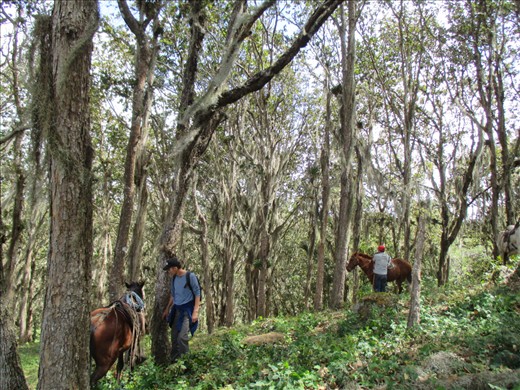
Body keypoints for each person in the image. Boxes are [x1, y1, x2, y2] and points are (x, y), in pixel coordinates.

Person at [162, 256, 201, 363]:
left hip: (187, 311)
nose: (168, 271)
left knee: (182, 337)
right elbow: (173, 296)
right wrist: (167, 309)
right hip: (177, 310)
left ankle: (186, 363)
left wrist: (195, 312)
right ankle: (174, 363)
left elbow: (198, 293)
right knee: (174, 338)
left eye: (169, 269)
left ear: (175, 268)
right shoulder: (174, 278)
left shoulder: (190, 276)